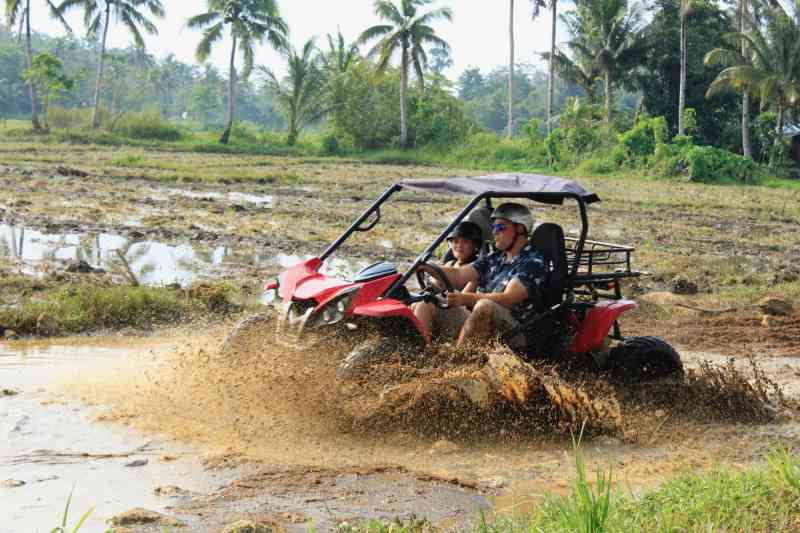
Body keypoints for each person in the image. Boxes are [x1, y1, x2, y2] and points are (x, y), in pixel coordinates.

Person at [414, 203, 546, 350]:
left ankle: (458, 362)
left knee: (485, 305)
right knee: (426, 303)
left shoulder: (533, 262)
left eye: (500, 227)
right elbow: (459, 274)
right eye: (493, 227)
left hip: (515, 332)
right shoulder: (494, 258)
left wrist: (466, 298)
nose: (495, 232)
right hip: (481, 322)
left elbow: (509, 299)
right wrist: (428, 268)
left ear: (520, 229)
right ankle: (420, 357)